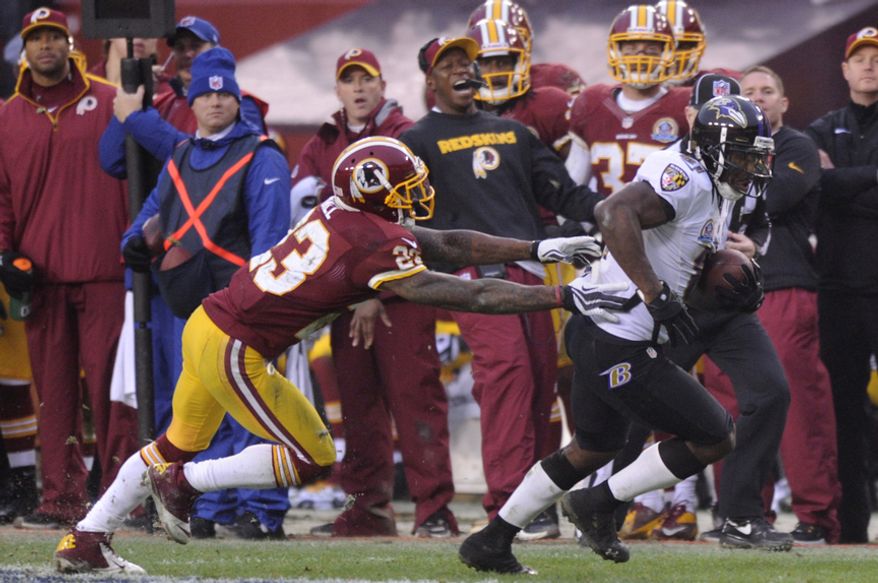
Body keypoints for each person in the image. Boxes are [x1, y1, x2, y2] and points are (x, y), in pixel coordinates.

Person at [53, 135, 618, 574]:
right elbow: (470, 289)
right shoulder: (375, 242)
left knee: (175, 442)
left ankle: (86, 538)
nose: (415, 197)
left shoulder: (341, 212)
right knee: (310, 455)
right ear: (376, 194)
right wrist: (563, 293)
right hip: (237, 345)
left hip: (208, 324)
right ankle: (184, 484)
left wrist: (537, 246)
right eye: (405, 188)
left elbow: (446, 243)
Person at [458, 95, 773, 574]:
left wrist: (720, 286)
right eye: (745, 153)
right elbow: (611, 213)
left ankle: (492, 539)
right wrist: (654, 292)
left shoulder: (713, 184)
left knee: (592, 448)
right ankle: (598, 503)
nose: (752, 165)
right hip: (619, 335)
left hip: (599, 326)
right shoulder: (683, 176)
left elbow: (682, 254)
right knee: (715, 436)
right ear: (713, 146)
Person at [400, 36, 607, 528]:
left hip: (530, 269)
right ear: (430, 80)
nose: (461, 70)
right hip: (470, 276)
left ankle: (534, 505)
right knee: (508, 374)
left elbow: (565, 195)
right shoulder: (414, 141)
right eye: (448, 65)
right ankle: (510, 504)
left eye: (466, 63)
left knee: (538, 381)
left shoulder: (514, 133)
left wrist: (615, 213)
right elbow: (401, 218)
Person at [118, 46, 292, 539]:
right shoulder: (179, 157)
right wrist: (133, 244)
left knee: (253, 409)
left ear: (238, 102)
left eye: (225, 96)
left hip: (243, 303)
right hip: (188, 305)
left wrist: (266, 301)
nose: (215, 102)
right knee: (195, 411)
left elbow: (271, 238)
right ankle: (208, 507)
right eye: (206, 95)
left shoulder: (261, 155)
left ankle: (261, 509)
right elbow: (149, 216)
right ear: (191, 104)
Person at [293, 48, 459, 538]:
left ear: (384, 85)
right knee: (357, 402)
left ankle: (434, 510)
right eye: (350, 80)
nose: (359, 88)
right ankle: (368, 509)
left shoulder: (407, 136)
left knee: (416, 397)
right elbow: (306, 211)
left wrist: (373, 291)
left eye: (367, 79)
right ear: (338, 90)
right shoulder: (323, 141)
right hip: (343, 293)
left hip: (402, 289)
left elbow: (410, 220)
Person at [0, 7, 137, 528]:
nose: (46, 47)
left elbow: (136, 178)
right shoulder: (8, 116)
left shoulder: (107, 100)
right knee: (53, 398)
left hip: (105, 270)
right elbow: (3, 198)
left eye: (55, 36)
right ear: (25, 49)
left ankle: (121, 499)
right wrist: (4, 254)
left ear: (69, 44)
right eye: (37, 39)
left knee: (113, 395)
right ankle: (60, 500)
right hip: (41, 278)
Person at [736, 65, 842, 544]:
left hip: (782, 283)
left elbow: (768, 199)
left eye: (766, 91)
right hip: (727, 293)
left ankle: (816, 515)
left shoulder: (796, 146)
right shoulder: (722, 149)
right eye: (747, 92)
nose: (757, 98)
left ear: (783, 103)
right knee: (734, 408)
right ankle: (742, 511)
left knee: (800, 407)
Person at [805, 26, 878, 544]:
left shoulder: (825, 135)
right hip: (837, 288)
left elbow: (831, 186)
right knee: (845, 411)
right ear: (845, 69)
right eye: (861, 58)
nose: (870, 66)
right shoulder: (820, 128)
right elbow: (812, 187)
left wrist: (842, 183)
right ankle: (852, 526)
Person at [565, 5, 690, 193]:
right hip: (603, 219)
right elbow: (573, 186)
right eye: (630, 49)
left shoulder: (684, 106)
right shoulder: (592, 103)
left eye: (651, 50)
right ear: (616, 53)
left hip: (666, 221)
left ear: (667, 54)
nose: (640, 58)